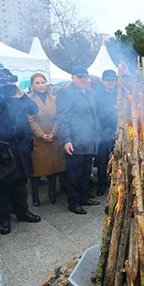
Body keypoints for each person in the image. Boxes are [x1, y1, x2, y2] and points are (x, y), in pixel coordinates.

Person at [0, 63, 41, 235]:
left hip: (20, 144)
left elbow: (33, 109)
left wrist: (20, 94)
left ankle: (22, 211)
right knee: (1, 185)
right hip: (0, 145)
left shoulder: (15, 93)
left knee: (20, 182)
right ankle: (3, 219)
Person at [56, 66, 101, 215]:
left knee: (86, 172)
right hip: (75, 140)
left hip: (89, 140)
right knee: (74, 174)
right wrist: (66, 140)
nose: (83, 80)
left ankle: (84, 197)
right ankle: (73, 202)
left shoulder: (89, 93)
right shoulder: (66, 93)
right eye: (79, 77)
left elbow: (94, 115)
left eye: (85, 77)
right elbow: (63, 118)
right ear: (73, 78)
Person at [27, 72, 66, 206]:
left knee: (53, 169)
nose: (41, 85)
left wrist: (53, 132)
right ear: (32, 85)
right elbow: (30, 120)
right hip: (38, 139)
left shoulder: (55, 98)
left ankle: (52, 193)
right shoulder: (28, 99)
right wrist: (42, 134)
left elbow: (59, 116)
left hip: (54, 137)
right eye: (37, 83)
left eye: (43, 82)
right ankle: (35, 196)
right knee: (37, 171)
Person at [93, 69, 118, 196]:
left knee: (118, 158)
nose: (110, 83)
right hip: (102, 131)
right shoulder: (96, 94)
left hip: (118, 130)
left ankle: (117, 183)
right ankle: (102, 183)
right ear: (103, 81)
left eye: (113, 80)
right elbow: (94, 113)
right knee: (102, 160)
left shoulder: (120, 93)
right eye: (108, 80)